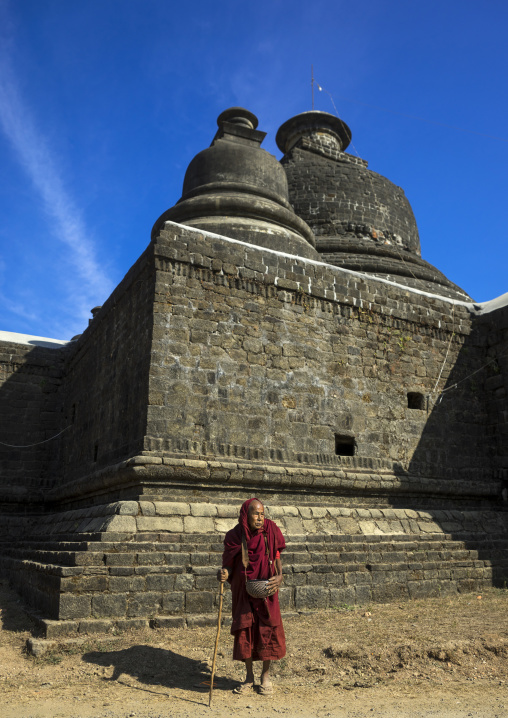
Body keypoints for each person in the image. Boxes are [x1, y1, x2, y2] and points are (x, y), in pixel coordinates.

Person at [217, 498, 285, 695]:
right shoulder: (235, 536)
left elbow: (277, 554)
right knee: (245, 629)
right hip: (244, 591)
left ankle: (266, 676)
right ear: (246, 515)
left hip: (267, 589)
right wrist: (224, 573)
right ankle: (248, 677)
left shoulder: (271, 530)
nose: (260, 518)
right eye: (256, 513)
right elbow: (228, 565)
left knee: (267, 630)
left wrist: (279, 576)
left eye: (262, 514)